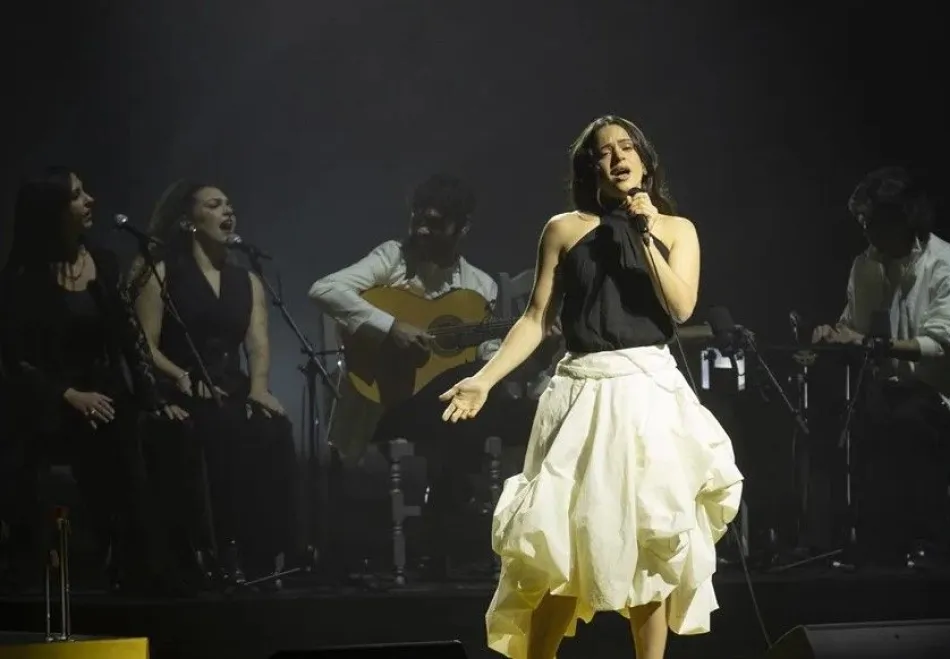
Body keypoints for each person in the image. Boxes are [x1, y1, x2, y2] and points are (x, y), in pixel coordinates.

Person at [439, 116, 744, 659]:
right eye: (605, 152)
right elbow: (535, 318)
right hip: (583, 392)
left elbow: (680, 307)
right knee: (564, 542)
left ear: (645, 161)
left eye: (628, 147)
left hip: (649, 391)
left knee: (653, 540)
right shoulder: (563, 228)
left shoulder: (678, 230)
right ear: (591, 169)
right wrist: (483, 381)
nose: (618, 157)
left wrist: (646, 232)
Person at [309, 174, 504, 578]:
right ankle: (446, 534)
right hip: (385, 404)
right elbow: (325, 289)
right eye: (417, 218)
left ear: (461, 228)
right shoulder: (392, 258)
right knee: (465, 420)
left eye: (434, 223)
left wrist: (536, 349)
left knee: (471, 400)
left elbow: (487, 357)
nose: (420, 229)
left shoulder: (480, 285)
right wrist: (389, 326)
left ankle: (442, 534)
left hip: (442, 409)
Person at [0, 167, 183, 594]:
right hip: (49, 400)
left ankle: (158, 565)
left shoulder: (102, 261)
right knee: (106, 440)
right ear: (52, 211)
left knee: (161, 432)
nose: (90, 202)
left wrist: (153, 398)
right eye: (78, 196)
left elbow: (129, 337)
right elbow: (14, 361)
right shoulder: (21, 281)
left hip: (105, 392)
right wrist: (69, 395)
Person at [812, 166, 950, 566]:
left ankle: (929, 541)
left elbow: (946, 344)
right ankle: (874, 542)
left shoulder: (946, 265)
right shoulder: (866, 266)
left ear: (903, 219)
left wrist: (869, 343)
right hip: (891, 386)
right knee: (852, 422)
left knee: (909, 422)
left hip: (941, 390)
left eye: (873, 221)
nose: (866, 231)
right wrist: (833, 333)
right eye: (862, 222)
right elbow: (854, 325)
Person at [131, 180, 300, 587]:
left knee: (274, 428)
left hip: (231, 385)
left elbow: (259, 344)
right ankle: (219, 548)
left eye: (229, 204)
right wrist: (181, 377)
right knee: (219, 428)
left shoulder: (248, 281)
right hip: (180, 384)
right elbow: (143, 343)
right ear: (191, 220)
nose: (228, 211)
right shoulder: (163, 273)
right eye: (214, 204)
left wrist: (259, 388)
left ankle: (267, 552)